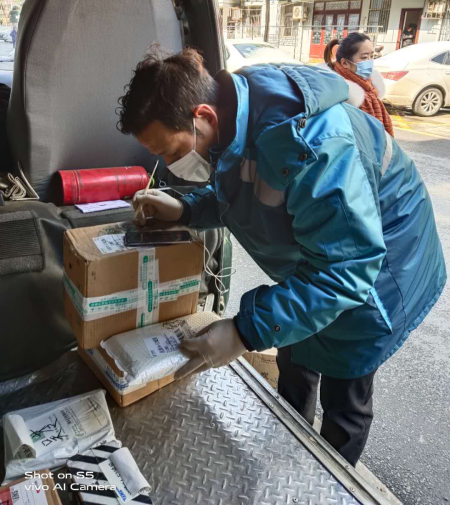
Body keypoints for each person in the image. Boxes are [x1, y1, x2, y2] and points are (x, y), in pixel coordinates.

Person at [117, 46, 446, 466]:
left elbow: (346, 272)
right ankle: (288, 456)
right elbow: (239, 189)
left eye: (173, 153)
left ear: (204, 116)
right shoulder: (233, 120)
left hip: (382, 269)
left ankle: (331, 481)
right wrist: (186, 209)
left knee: (344, 389)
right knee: (294, 349)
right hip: (322, 258)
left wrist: (244, 332)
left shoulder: (310, 145)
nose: (168, 165)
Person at [322, 33, 394, 136]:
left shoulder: (369, 87)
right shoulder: (340, 93)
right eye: (364, 57)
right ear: (345, 63)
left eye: (372, 56)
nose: (370, 61)